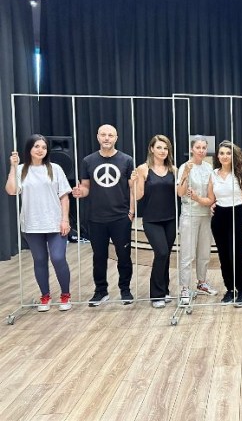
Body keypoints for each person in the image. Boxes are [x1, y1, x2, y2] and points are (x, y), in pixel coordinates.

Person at [5, 135, 73, 312]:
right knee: (40, 260)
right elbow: (11, 190)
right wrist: (13, 167)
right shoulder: (21, 169)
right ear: (29, 149)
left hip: (55, 223)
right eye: (36, 146)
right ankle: (45, 296)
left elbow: (64, 196)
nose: (40, 150)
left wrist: (65, 219)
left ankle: (65, 295)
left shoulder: (55, 169)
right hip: (32, 224)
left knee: (58, 258)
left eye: (43, 147)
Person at [72, 124, 135, 307]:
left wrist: (131, 212)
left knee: (124, 256)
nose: (107, 138)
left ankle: (125, 290)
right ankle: (101, 291)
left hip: (120, 217)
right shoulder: (88, 161)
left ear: (116, 138)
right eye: (103, 135)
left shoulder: (127, 160)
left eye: (110, 135)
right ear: (98, 137)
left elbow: (132, 188)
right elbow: (85, 186)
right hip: (96, 218)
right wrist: (80, 192)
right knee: (99, 257)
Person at [132, 135, 177, 308]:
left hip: (170, 219)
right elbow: (138, 196)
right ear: (152, 149)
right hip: (152, 220)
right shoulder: (143, 169)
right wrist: (135, 182)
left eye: (165, 148)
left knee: (165, 255)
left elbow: (179, 193)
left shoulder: (173, 169)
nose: (162, 151)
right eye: (159, 147)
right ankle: (156, 294)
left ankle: (164, 289)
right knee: (162, 253)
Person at [176, 136, 219, 305]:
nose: (201, 150)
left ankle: (202, 283)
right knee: (187, 254)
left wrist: (212, 202)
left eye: (203, 148)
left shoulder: (209, 168)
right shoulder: (185, 167)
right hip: (190, 214)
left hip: (206, 215)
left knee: (204, 252)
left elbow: (212, 192)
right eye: (198, 147)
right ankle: (185, 288)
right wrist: (186, 174)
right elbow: (180, 192)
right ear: (191, 149)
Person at [210, 140, 242, 306]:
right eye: (221, 153)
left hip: (238, 214)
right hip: (220, 217)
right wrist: (210, 203)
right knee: (223, 256)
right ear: (217, 156)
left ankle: (241, 291)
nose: (225, 156)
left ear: (234, 156)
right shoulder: (213, 174)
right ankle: (229, 290)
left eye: (228, 153)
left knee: (236, 256)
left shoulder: (241, 174)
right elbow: (211, 198)